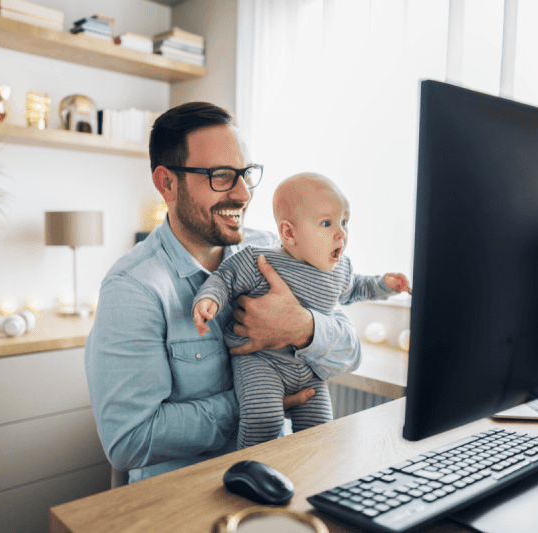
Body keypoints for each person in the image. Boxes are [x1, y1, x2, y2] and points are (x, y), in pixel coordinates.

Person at [85, 102, 364, 483]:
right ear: (167, 183)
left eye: (245, 174)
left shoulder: (274, 253)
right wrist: (254, 403)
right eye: (220, 175)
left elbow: (351, 353)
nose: (243, 194)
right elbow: (130, 440)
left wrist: (303, 327)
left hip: (277, 479)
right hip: (182, 500)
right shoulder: (133, 289)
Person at [192, 172, 412, 449]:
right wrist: (209, 299)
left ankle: (310, 479)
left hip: (309, 367)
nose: (341, 232)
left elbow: (356, 289)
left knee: (321, 428)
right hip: (262, 363)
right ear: (289, 233)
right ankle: (250, 471)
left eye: (344, 222)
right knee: (264, 420)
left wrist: (385, 284)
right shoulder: (261, 258)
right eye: (326, 223)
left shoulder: (339, 268)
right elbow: (225, 278)